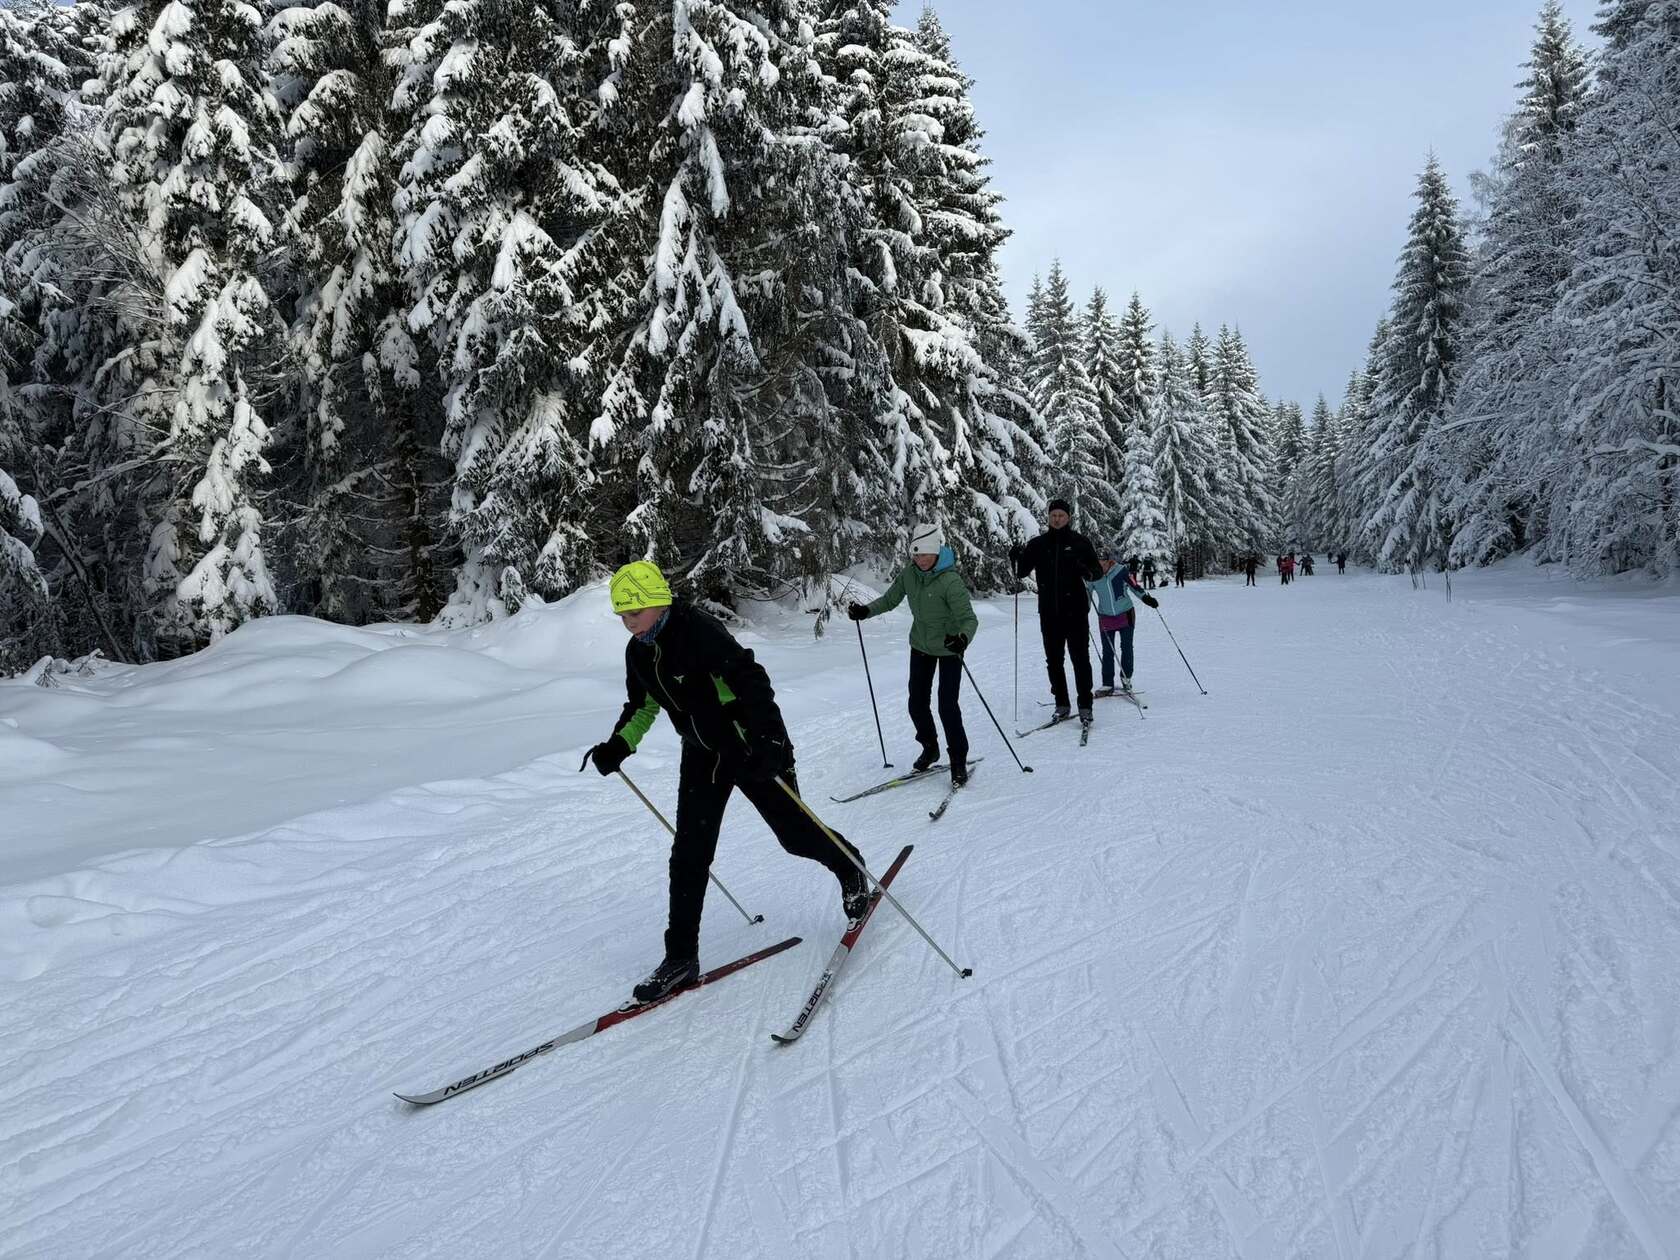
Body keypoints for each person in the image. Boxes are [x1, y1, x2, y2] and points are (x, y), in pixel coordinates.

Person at [583, 561, 870, 1003]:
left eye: (634, 612)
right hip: (703, 754)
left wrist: (770, 741)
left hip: (750, 744)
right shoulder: (638, 652)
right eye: (622, 615)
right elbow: (642, 705)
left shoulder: (697, 631)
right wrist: (619, 744)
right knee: (689, 853)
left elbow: (752, 680)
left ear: (658, 602)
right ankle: (680, 958)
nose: (628, 622)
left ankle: (850, 866)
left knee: (795, 834)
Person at [848, 522, 978, 785]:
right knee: (916, 703)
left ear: (936, 552)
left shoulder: (950, 581)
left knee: (947, 706)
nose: (920, 560)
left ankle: (958, 759)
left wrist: (962, 639)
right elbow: (889, 600)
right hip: (920, 645)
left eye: (925, 554)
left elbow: (969, 619)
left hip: (950, 647)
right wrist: (866, 611)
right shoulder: (910, 574)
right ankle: (930, 747)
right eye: (916, 555)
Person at [1010, 498, 1102, 723]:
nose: (1057, 519)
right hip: (1049, 612)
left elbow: (1097, 572)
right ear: (1048, 518)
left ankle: (1085, 704)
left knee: (1080, 659)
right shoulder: (1038, 544)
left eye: (1061, 515)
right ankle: (1062, 703)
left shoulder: (1080, 542)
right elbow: (1021, 572)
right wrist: (1016, 557)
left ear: (1068, 517)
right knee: (1054, 660)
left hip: (1076, 611)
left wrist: (1086, 570)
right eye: (1053, 515)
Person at [1087, 549, 1158, 692]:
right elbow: (1087, 596)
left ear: (1109, 561)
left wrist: (1146, 598)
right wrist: (1082, 612)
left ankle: (1126, 677)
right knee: (1108, 650)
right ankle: (1108, 683)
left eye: (1103, 562)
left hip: (1126, 613)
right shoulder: (1092, 575)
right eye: (1098, 562)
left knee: (1126, 647)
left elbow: (1134, 586)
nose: (1101, 565)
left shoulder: (1121, 570)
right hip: (1105, 616)